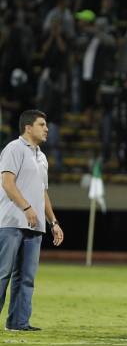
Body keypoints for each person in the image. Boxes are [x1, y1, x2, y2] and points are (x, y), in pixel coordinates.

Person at [0, 110, 64, 331]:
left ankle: (18, 322)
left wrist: (53, 222)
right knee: (3, 274)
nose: (46, 129)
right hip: (11, 221)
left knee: (26, 278)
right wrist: (27, 208)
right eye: (42, 124)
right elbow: (7, 183)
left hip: (35, 226)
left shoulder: (42, 156)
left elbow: (42, 192)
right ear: (28, 127)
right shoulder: (14, 148)